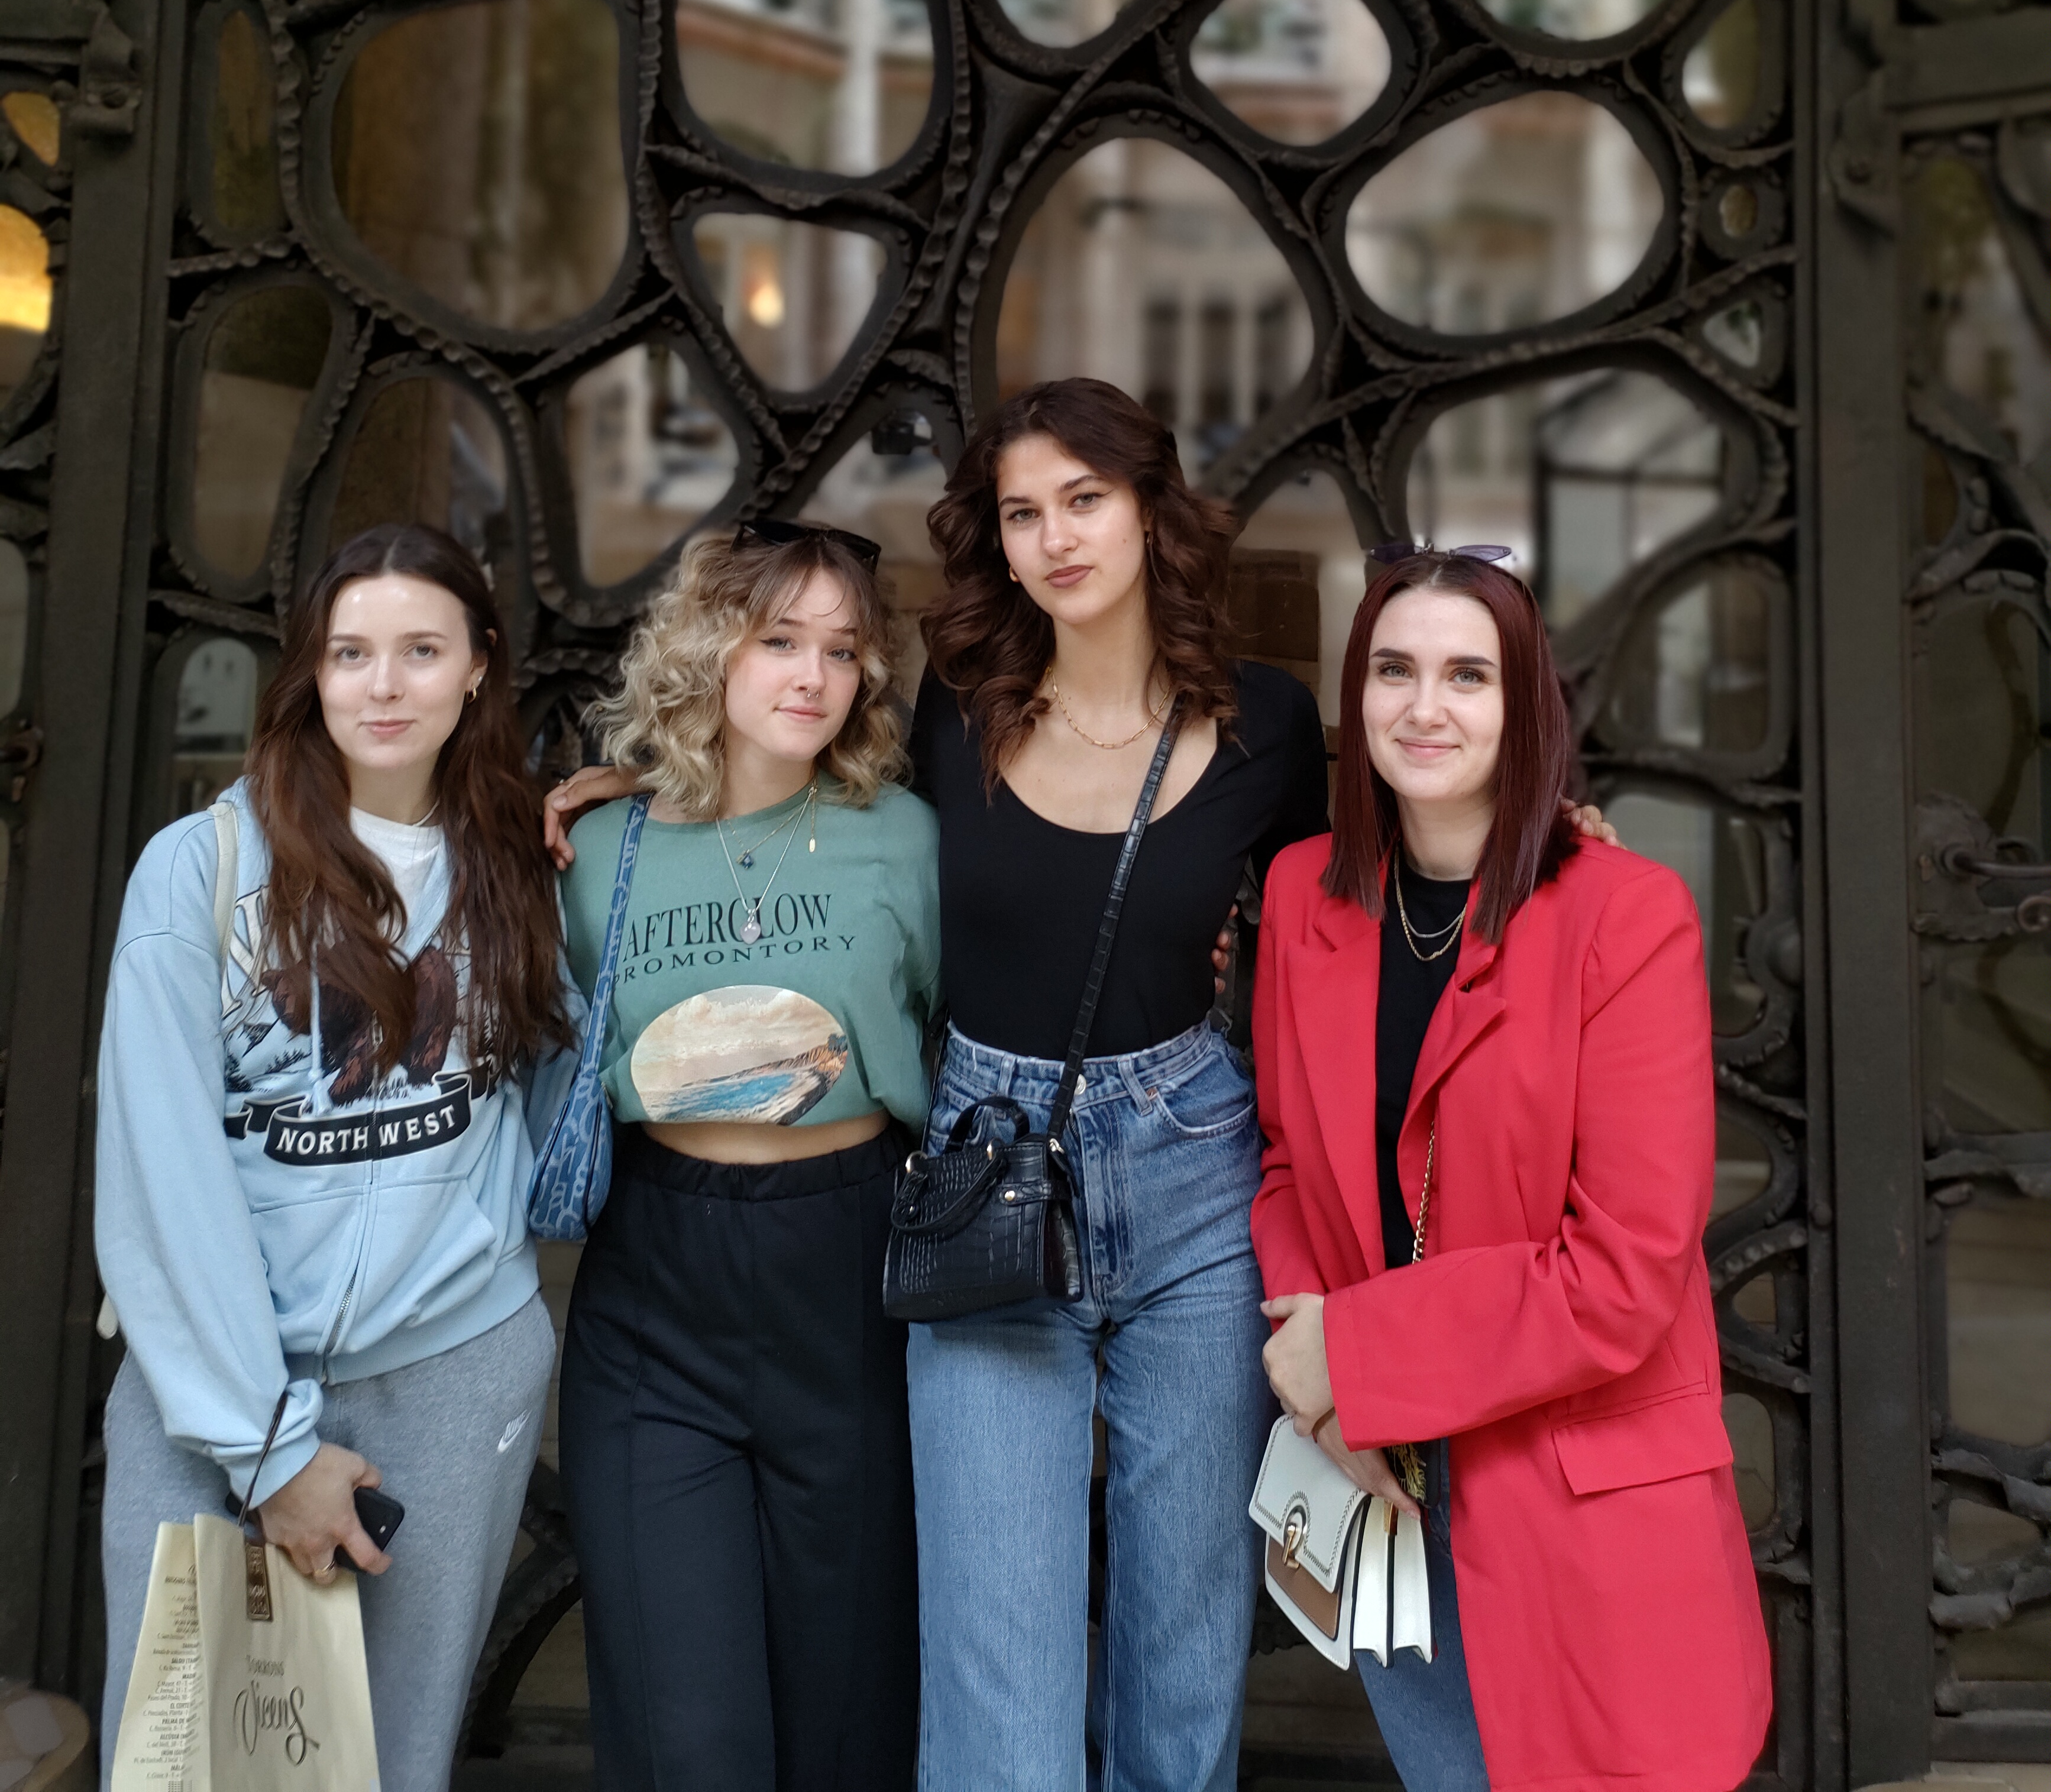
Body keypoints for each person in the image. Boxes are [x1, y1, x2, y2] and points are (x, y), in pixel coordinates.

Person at [1253, 545, 1772, 1792]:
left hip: (1574, 1490)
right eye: (1394, 669)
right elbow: (1284, 1159)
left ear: (1522, 702)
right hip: (1386, 1475)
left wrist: (1353, 1358)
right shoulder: (1302, 895)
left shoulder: (1625, 916)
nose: (1424, 707)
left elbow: (1626, 1268)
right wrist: (1315, 1370)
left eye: (1468, 675)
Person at [96, 523, 574, 1792]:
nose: (383, 685)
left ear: (480, 664)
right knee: (197, 1766)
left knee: (386, 1767)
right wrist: (269, 1449)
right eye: (350, 652)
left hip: (450, 1378)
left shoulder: (523, 869)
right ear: (311, 667)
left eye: (422, 650)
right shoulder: (200, 871)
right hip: (215, 1400)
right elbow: (160, 1179)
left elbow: (562, 1093)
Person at [904, 377, 1330, 1792]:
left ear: (1150, 508)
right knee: (999, 1659)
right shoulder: (952, 705)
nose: (1056, 537)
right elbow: (796, 804)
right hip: (987, 1168)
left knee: (1185, 1644)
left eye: (1084, 498)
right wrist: (630, 800)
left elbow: (1350, 921)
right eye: (1023, 511)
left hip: (1195, 1166)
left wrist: (1552, 830)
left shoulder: (1270, 723)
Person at [548, 517, 939, 1792]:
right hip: (657, 1288)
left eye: (843, 649)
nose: (813, 676)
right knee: (688, 1733)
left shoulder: (909, 836)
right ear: (710, 647)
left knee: (848, 1719)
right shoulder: (597, 848)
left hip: (852, 1274)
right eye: (779, 640)